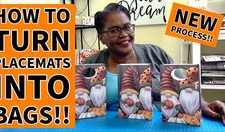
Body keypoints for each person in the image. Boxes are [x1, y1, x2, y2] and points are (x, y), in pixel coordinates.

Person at [84, 3, 225, 125]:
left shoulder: (155, 53)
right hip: (108, 125)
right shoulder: (92, 63)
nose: (124, 34)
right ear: (101, 37)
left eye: (127, 27)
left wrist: (205, 105)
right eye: (114, 30)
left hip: (159, 123)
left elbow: (185, 85)